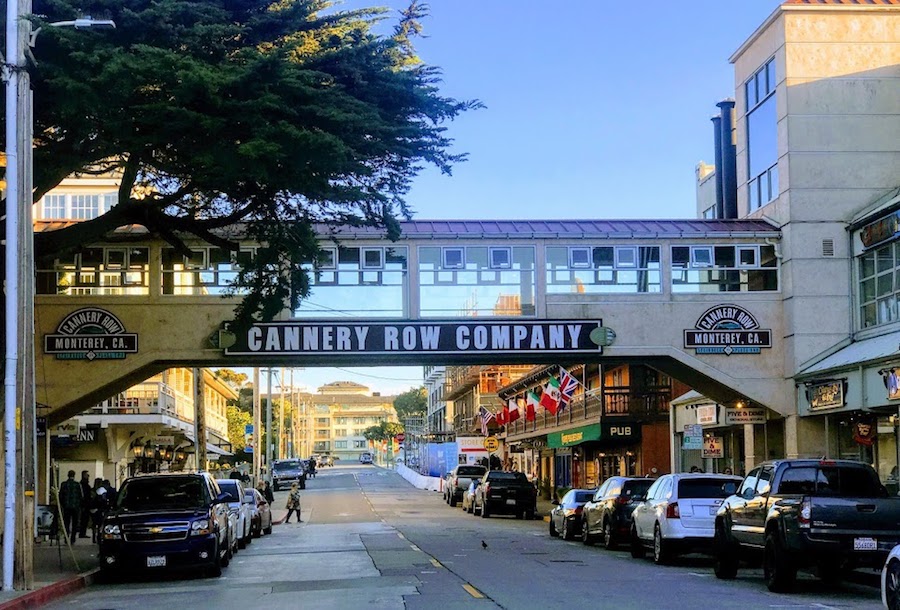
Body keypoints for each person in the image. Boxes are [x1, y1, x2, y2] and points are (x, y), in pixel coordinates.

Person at [58, 470, 82, 545]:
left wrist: (62, 504)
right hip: (75, 507)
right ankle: (73, 539)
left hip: (67, 507)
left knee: (66, 523)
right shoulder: (77, 484)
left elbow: (60, 496)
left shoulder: (64, 484)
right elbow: (81, 496)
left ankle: (66, 538)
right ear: (74, 475)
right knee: (75, 523)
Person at [78, 471, 92, 538]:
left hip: (86, 504)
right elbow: (84, 495)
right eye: (87, 475)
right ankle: (82, 533)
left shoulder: (84, 484)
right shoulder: (83, 485)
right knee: (84, 519)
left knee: (85, 520)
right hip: (85, 504)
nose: (88, 476)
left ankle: (83, 532)